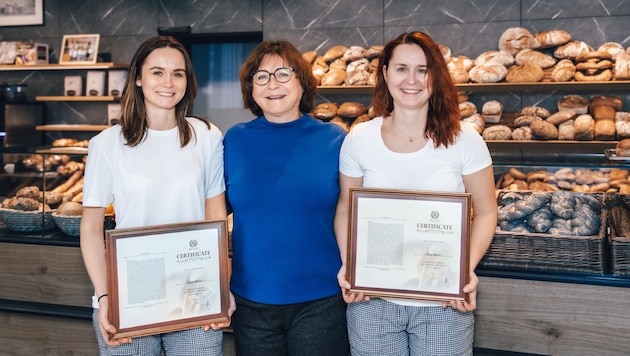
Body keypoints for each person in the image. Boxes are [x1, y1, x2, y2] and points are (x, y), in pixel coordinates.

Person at [334, 31, 498, 356]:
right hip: (373, 302)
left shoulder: (465, 140)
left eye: (422, 70)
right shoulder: (359, 138)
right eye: (401, 69)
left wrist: (464, 269)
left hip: (442, 302)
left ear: (435, 76)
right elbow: (346, 211)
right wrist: (350, 263)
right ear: (384, 73)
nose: (412, 79)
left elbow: (487, 212)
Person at [80, 36, 233, 356]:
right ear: (138, 77)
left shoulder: (206, 136)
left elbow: (216, 215)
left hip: (193, 288)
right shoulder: (106, 144)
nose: (168, 82)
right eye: (157, 72)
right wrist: (105, 297)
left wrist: (221, 286)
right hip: (130, 290)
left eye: (178, 73)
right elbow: (92, 228)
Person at [223, 40, 350, 356]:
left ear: (302, 81)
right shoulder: (234, 140)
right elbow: (212, 212)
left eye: (283, 73)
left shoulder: (334, 139)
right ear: (251, 87)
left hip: (321, 300)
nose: (272, 84)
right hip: (251, 303)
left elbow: (351, 212)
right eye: (261, 76)